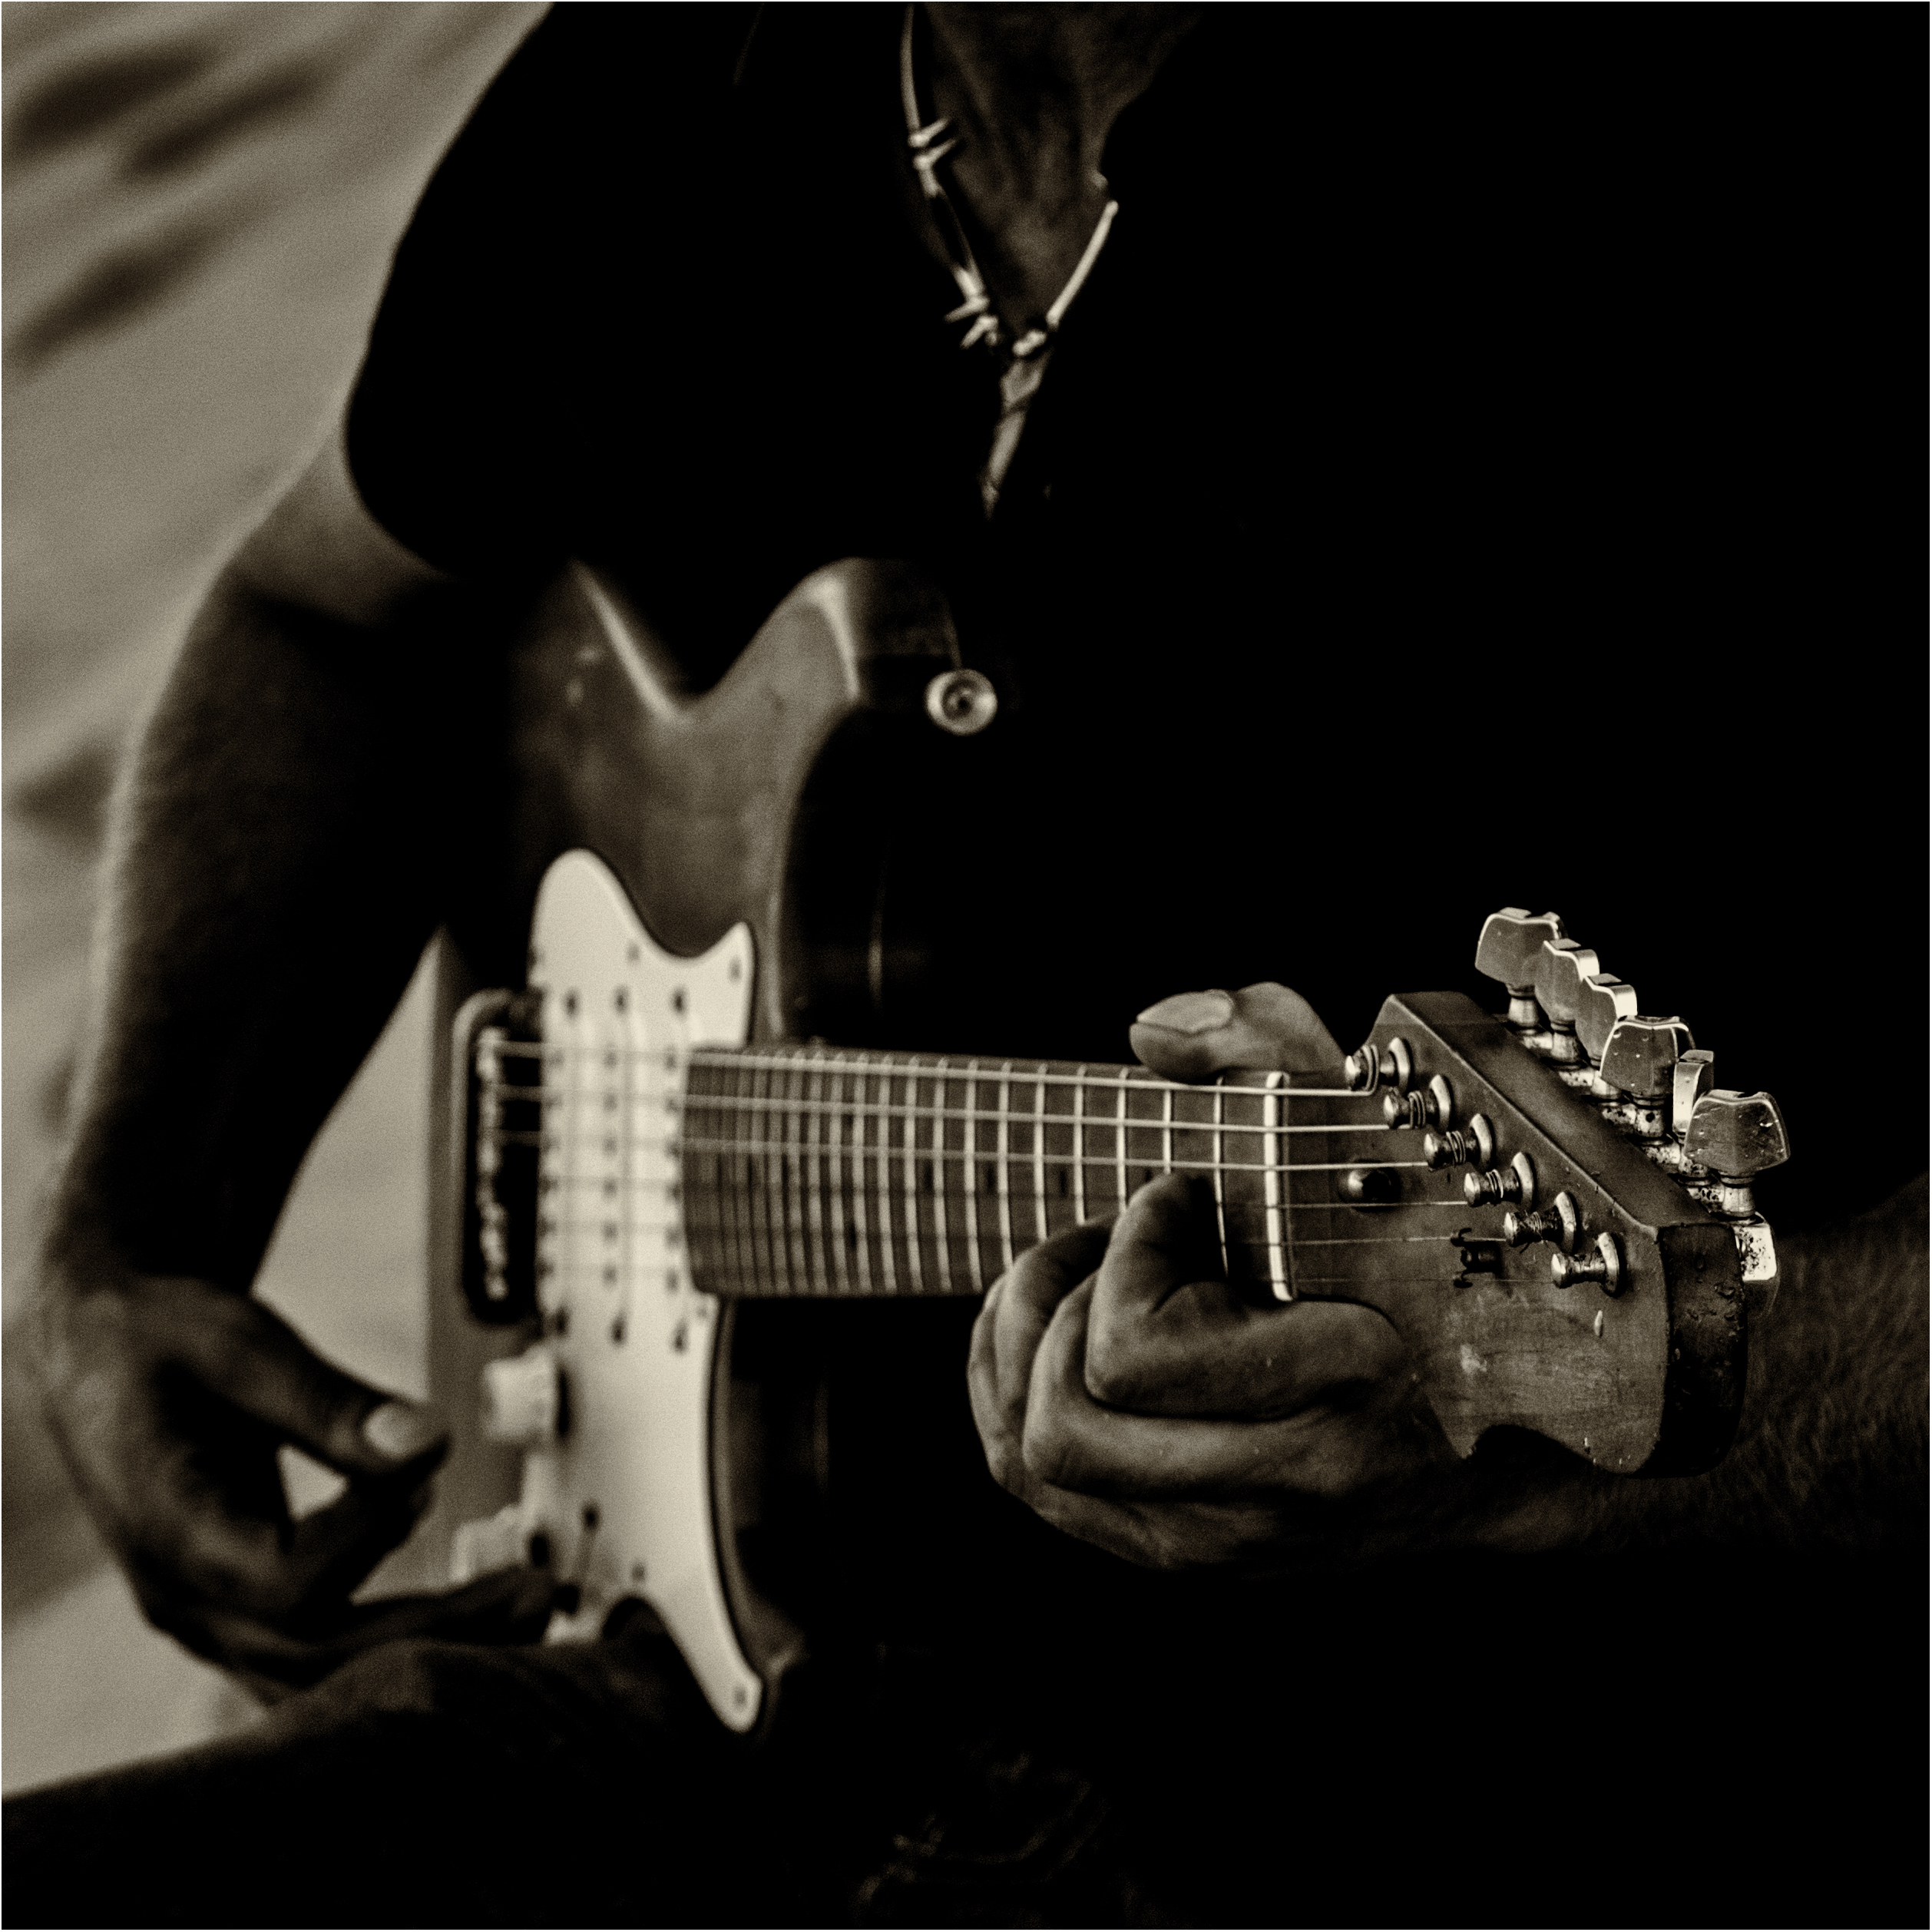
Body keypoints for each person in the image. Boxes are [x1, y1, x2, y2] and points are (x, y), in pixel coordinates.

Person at [9, 7, 1925, 1925]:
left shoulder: (1756, 132)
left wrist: (1593, 1445)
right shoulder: (684, 82)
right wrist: (129, 1234)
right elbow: (324, 614)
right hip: (710, 1671)